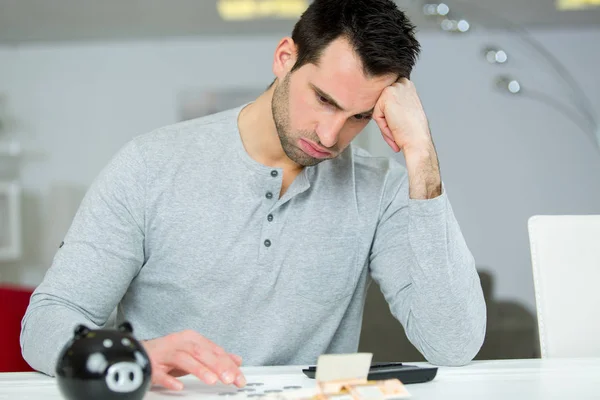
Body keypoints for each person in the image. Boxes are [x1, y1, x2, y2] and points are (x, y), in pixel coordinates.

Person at [21, 0, 486, 392]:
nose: (329, 135)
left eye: (359, 117)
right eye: (324, 100)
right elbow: (47, 321)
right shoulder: (149, 164)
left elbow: (453, 343)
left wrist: (420, 152)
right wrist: (136, 356)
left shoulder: (380, 187)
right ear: (285, 58)